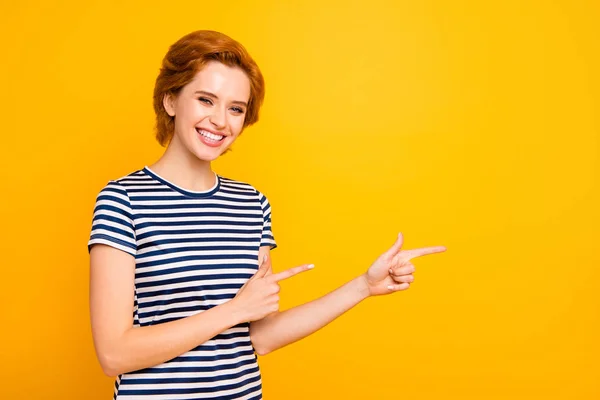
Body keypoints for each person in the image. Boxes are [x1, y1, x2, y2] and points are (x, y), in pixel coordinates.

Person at [88, 29, 446, 399]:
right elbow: (114, 354)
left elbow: (261, 336)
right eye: (205, 100)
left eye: (235, 108)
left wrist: (363, 286)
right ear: (171, 101)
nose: (220, 121)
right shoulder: (123, 200)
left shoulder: (251, 203)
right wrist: (232, 311)